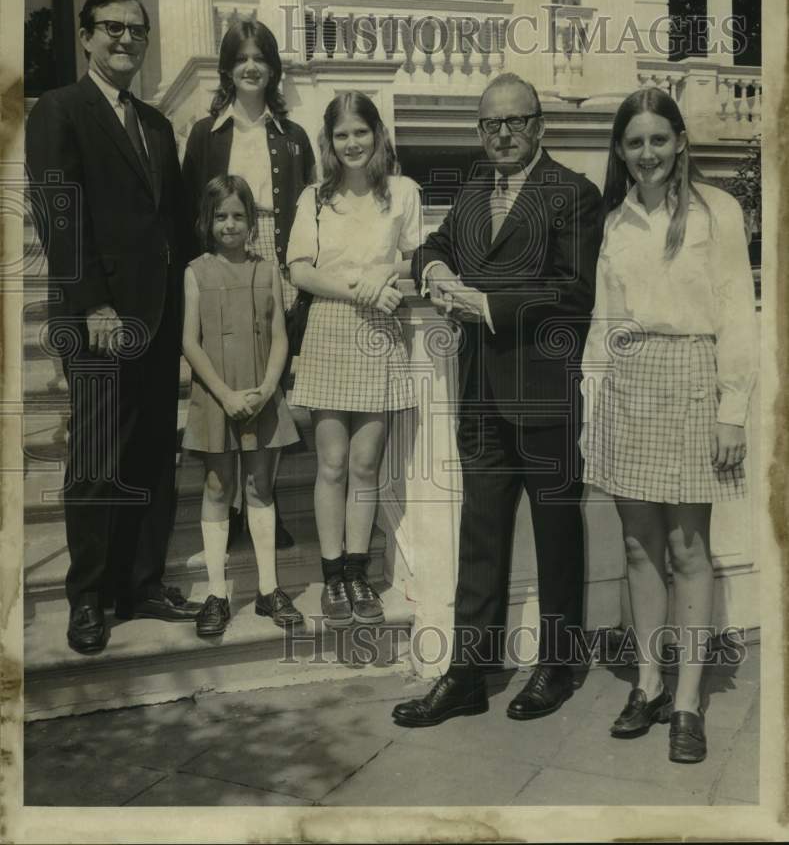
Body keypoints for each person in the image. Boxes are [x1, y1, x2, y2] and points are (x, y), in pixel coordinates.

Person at [392, 72, 604, 727]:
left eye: (514, 121)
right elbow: (433, 243)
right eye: (490, 125)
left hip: (542, 395)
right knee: (479, 534)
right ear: (479, 132)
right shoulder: (473, 191)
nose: (503, 135)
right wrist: (434, 271)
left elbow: (571, 294)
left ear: (539, 124)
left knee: (556, 533)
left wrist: (483, 303)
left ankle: (559, 664)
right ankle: (468, 673)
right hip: (481, 394)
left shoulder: (573, 194)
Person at [579, 88, 757, 763]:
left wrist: (731, 412)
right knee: (636, 546)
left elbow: (738, 314)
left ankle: (687, 699)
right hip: (627, 384)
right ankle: (647, 683)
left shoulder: (718, 211)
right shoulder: (615, 221)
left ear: (679, 140)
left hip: (692, 380)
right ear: (619, 151)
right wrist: (592, 403)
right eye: (634, 142)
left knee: (687, 549)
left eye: (658, 138)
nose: (646, 153)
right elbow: (603, 322)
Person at [26, 0, 200, 654]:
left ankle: (142, 582)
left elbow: (174, 226)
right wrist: (94, 302)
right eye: (112, 28)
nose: (125, 40)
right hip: (97, 320)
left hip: (158, 319)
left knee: (153, 453)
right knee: (97, 460)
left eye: (136, 30)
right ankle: (90, 598)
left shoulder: (155, 124)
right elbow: (59, 214)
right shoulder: (61, 112)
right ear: (85, 36)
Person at [287, 91, 421, 627]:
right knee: (332, 464)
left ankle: (360, 572)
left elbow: (417, 262)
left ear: (377, 134)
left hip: (380, 336)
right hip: (330, 328)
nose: (352, 143)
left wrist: (388, 278)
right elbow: (299, 270)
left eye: (360, 132)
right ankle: (332, 573)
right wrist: (361, 286)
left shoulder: (403, 193)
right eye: (341, 135)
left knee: (366, 466)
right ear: (329, 141)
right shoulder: (315, 199)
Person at [182, 18, 316, 550]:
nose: (251, 67)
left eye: (261, 57)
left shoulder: (294, 138)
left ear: (274, 68)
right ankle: (230, 503)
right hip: (222, 264)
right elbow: (191, 210)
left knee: (269, 381)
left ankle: (262, 499)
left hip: (276, 268)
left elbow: (308, 209)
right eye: (241, 59)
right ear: (227, 69)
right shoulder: (205, 134)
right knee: (226, 379)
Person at [181, 174, 302, 636]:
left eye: (238, 216)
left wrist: (268, 388)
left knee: (259, 489)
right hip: (216, 397)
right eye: (220, 216)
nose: (229, 224)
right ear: (207, 221)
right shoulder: (196, 271)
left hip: (261, 395)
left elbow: (278, 336)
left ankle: (269, 590)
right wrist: (226, 395)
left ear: (251, 222)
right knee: (216, 488)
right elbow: (190, 342)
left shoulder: (266, 269)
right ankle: (215, 592)